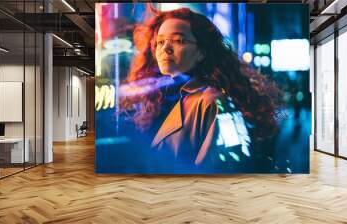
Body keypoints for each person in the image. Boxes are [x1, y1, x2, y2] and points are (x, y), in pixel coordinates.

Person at [120, 7, 281, 172]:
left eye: (179, 40)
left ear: (201, 53)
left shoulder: (211, 101)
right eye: (160, 41)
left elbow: (223, 168)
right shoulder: (163, 97)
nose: (165, 48)